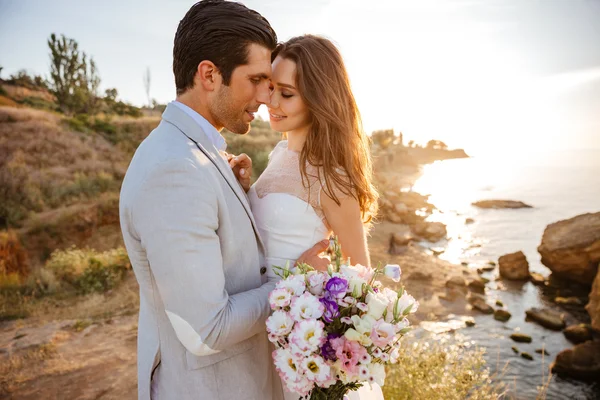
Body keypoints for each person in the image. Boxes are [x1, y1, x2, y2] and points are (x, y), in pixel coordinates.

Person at [119, 2, 329, 399]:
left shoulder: (197, 153)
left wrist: (242, 195)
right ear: (210, 75)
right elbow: (207, 328)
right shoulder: (174, 169)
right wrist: (295, 280)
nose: (267, 97)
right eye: (257, 80)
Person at [247, 35, 384, 400]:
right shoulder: (278, 153)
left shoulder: (333, 178)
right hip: (260, 334)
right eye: (271, 88)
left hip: (300, 348)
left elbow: (362, 286)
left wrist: (307, 278)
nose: (270, 102)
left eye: (286, 94)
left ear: (319, 97)